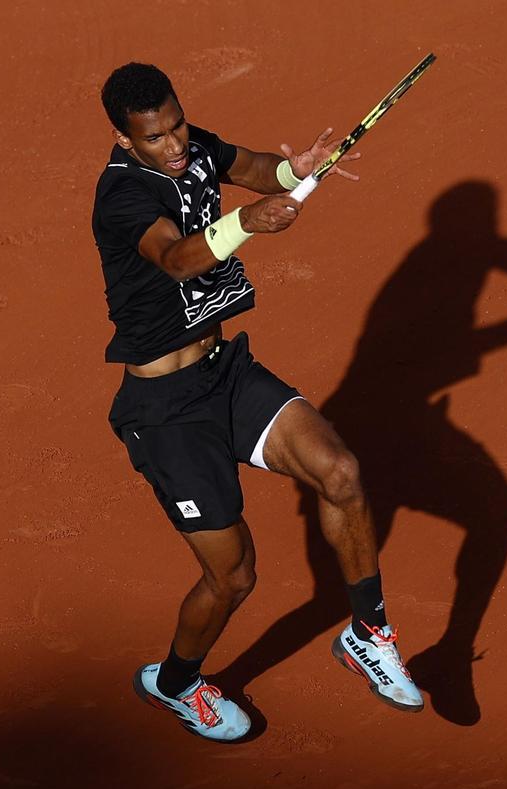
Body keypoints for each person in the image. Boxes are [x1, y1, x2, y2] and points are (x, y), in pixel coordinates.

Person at [91, 62, 421, 742]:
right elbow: (180, 258)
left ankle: (368, 632)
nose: (175, 145)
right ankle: (176, 684)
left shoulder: (194, 146)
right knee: (234, 577)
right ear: (127, 141)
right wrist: (248, 220)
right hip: (165, 412)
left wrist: (289, 168)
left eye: (178, 124)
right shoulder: (121, 195)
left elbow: (251, 164)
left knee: (341, 472)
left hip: (224, 373)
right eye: (155, 137)